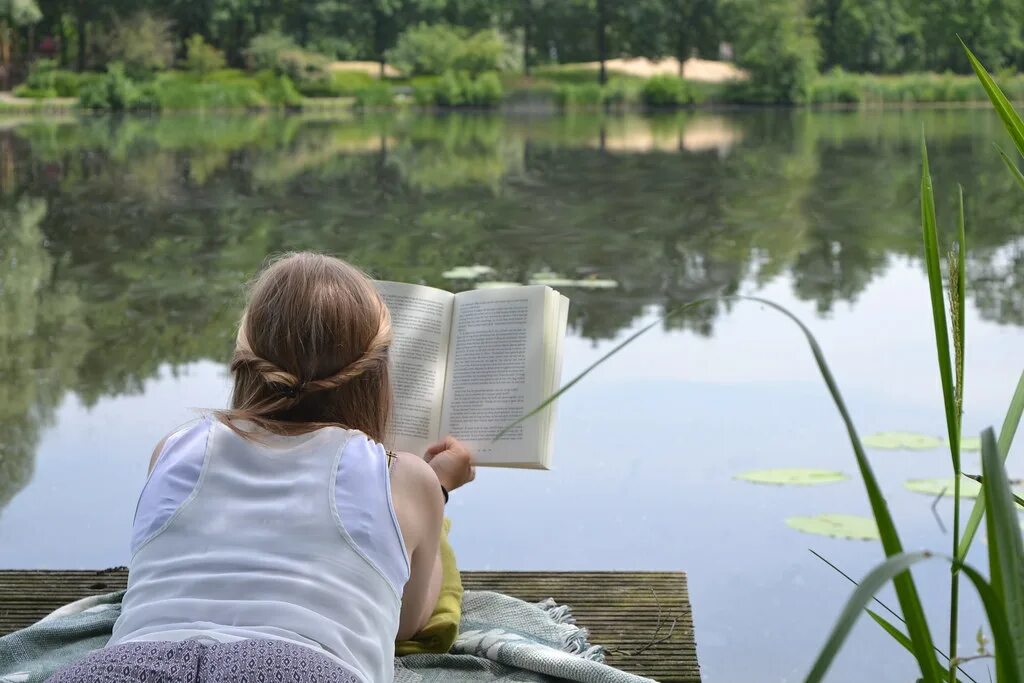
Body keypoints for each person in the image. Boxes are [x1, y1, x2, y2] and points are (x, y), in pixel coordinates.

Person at [49, 253, 476, 683]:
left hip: (128, 666)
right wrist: (436, 488)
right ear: (378, 375)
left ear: (244, 359)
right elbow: (406, 623)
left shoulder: (175, 448)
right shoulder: (400, 476)